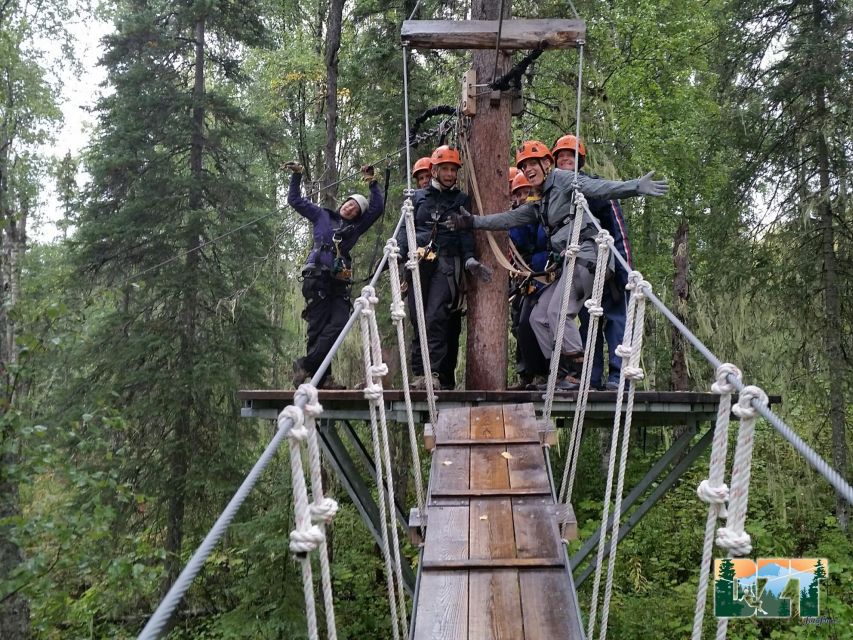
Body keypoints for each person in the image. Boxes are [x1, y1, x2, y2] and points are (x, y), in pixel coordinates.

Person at [447, 139, 667, 391]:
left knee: (559, 313)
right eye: (524, 167)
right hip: (571, 264)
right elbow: (510, 217)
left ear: (546, 164)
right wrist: (473, 222)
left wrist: (636, 187)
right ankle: (561, 373)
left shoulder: (563, 180)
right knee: (539, 317)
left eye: (533, 164)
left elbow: (598, 188)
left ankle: (578, 372)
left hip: (589, 256)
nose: (528, 170)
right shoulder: (541, 202)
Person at [397, 145, 492, 390]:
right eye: (445, 169)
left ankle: (434, 373)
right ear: (435, 170)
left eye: (453, 170)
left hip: (446, 264)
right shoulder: (417, 198)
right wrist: (396, 253)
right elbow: (404, 230)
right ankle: (420, 373)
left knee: (435, 317)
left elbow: (465, 232)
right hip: (418, 264)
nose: (450, 174)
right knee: (418, 320)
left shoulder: (460, 200)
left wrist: (469, 257)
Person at [286, 161, 384, 388]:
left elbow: (377, 208)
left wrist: (372, 181)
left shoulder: (355, 228)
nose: (350, 209)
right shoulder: (321, 216)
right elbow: (295, 201)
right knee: (317, 328)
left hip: (338, 283)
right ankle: (323, 379)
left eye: (356, 209)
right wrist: (297, 175)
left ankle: (306, 364)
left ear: (358, 216)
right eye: (349, 204)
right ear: (343, 203)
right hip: (317, 277)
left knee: (339, 323)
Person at [552, 134, 632, 390]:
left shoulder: (596, 188)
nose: (565, 160)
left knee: (617, 320)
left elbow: (618, 228)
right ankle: (591, 376)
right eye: (561, 157)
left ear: (579, 161)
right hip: (584, 266)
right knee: (589, 322)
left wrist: (626, 269)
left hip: (608, 264)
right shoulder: (561, 197)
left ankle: (618, 377)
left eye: (570, 156)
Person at [507, 172, 551, 389]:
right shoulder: (521, 217)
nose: (523, 196)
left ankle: (544, 372)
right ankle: (529, 373)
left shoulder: (544, 212)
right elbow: (520, 241)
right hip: (525, 275)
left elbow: (539, 241)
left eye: (527, 192)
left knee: (534, 322)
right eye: (519, 193)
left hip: (543, 272)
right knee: (521, 324)